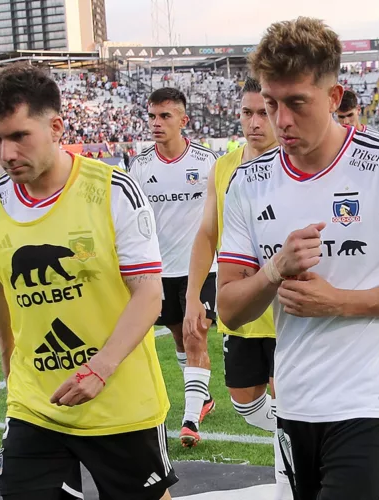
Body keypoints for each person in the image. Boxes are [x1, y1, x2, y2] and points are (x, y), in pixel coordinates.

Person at [217, 17, 379, 500]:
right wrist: (274, 270)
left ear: (333, 98)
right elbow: (229, 308)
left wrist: (341, 302)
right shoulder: (247, 183)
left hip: (366, 398)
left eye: (296, 103)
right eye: (270, 104)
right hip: (292, 398)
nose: (280, 120)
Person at [0, 63, 176, 500]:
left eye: (19, 136)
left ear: (57, 127)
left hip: (119, 399)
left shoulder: (113, 191)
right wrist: (9, 359)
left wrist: (100, 369)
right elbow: (0, 280)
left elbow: (149, 294)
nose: (5, 153)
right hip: (35, 401)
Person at [183, 77, 291, 499]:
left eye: (263, 112)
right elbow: (207, 234)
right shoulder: (224, 167)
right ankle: (298, 432)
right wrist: (194, 297)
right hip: (238, 306)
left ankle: (291, 484)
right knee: (246, 402)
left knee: (290, 403)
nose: (255, 122)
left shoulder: (295, 162)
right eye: (247, 113)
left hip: (286, 310)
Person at [128, 87, 218, 447]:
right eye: (152, 116)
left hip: (201, 268)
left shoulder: (208, 162)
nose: (156, 123)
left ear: (184, 120)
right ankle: (203, 397)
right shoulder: (140, 165)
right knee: (181, 338)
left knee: (196, 335)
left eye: (165, 116)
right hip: (160, 271)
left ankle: (190, 419)